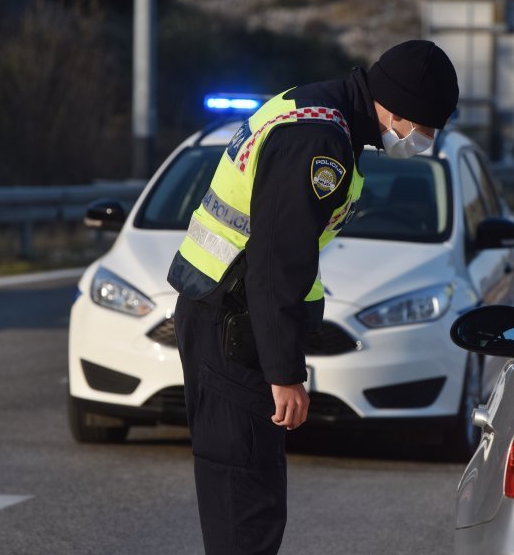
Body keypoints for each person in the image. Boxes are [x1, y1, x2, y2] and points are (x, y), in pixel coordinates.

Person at [167, 40, 458, 555]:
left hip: (223, 314)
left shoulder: (318, 109)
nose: (425, 140)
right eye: (424, 128)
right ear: (394, 106)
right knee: (245, 499)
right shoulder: (320, 142)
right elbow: (277, 265)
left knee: (236, 488)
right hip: (236, 328)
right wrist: (285, 373)